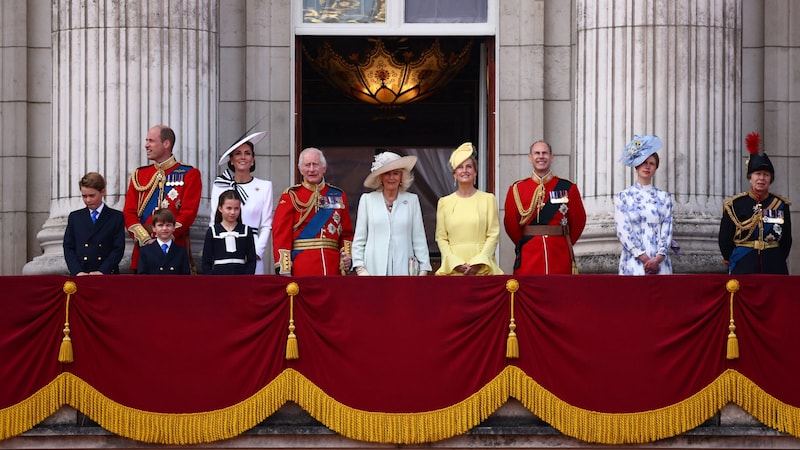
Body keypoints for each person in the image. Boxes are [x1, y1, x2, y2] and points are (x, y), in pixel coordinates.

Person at [123, 125, 202, 272]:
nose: (146, 145)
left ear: (166, 144)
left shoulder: (189, 174)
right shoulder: (139, 175)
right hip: (143, 252)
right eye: (146, 140)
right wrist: (145, 239)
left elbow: (188, 213)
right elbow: (129, 212)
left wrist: (164, 236)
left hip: (174, 251)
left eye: (151, 141)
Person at [503, 140, 586, 274]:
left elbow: (578, 221)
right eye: (537, 153)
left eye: (545, 153)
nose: (541, 156)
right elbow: (511, 224)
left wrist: (563, 243)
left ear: (552, 157)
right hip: (529, 256)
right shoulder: (517, 189)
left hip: (559, 254)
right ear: (530, 158)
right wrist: (526, 243)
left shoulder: (568, 188)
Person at [272, 147, 354, 276]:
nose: (311, 169)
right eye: (307, 165)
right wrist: (284, 269)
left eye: (315, 164)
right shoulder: (291, 196)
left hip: (333, 267)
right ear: (300, 169)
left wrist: (347, 257)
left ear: (324, 168)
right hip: (302, 267)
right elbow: (281, 235)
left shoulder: (337, 195)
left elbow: (346, 233)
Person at [719, 132, 792, 274]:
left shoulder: (780, 204)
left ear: (770, 179)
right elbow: (725, 239)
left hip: (773, 263)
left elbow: (786, 240)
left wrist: (776, 257)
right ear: (750, 178)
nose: (761, 178)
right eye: (757, 174)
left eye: (766, 175)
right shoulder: (735, 204)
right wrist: (732, 258)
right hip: (743, 263)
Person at [352, 151, 431, 276]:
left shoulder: (412, 200)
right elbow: (359, 239)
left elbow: (419, 238)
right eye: (387, 174)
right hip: (372, 270)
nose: (391, 177)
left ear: (401, 177)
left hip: (405, 270)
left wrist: (423, 269)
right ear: (380, 177)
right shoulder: (367, 200)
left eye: (396, 173)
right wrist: (361, 268)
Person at [210, 131, 274, 274]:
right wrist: (217, 250)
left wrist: (257, 251)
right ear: (231, 159)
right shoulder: (220, 186)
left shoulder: (265, 186)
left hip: (252, 246)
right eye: (238, 153)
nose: (243, 157)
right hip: (225, 248)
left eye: (247, 153)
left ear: (253, 159)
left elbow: (266, 224)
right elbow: (213, 221)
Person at [435, 143, 503, 275]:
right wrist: (454, 263)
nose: (464, 170)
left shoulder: (488, 199)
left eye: (469, 167)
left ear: (475, 172)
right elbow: (441, 237)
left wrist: (479, 262)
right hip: (453, 269)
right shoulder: (444, 203)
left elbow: (493, 234)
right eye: (460, 167)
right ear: (454, 174)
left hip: (483, 268)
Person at [614, 135, 674, 275]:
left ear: (656, 168)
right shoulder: (624, 197)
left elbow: (667, 229)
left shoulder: (664, 197)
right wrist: (644, 257)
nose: (647, 166)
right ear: (636, 165)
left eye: (651, 163)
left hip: (660, 261)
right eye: (644, 162)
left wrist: (658, 258)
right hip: (633, 261)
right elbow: (623, 230)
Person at [63, 172, 126, 276]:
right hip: (81, 274)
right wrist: (77, 271)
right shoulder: (75, 217)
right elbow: (68, 247)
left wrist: (103, 271)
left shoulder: (116, 217)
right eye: (84, 196)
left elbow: (118, 248)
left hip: (106, 275)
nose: (88, 200)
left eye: (92, 196)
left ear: (103, 192)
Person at [202, 190, 257, 275]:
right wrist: (211, 280)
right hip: (218, 278)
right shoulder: (212, 231)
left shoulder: (246, 231)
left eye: (236, 208)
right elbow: (206, 262)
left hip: (240, 277)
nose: (233, 212)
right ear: (220, 208)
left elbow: (252, 260)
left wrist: (246, 278)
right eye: (229, 208)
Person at [136, 209, 191, 274]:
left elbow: (185, 278)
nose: (164, 228)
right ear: (154, 228)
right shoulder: (146, 251)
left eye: (168, 225)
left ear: (174, 228)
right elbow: (142, 277)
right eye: (160, 225)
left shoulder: (181, 252)